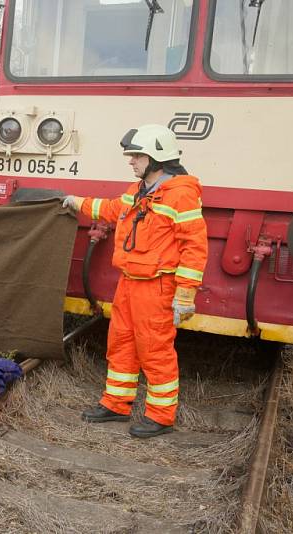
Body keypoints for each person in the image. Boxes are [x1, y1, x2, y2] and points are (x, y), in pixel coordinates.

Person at [62, 124, 208, 439]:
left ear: (156, 158)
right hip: (129, 283)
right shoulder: (138, 192)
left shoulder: (181, 195)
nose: (131, 162)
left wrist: (185, 295)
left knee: (155, 350)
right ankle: (116, 404)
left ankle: (161, 416)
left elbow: (194, 248)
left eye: (136, 156)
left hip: (157, 286)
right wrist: (78, 202)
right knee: (121, 344)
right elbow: (111, 210)